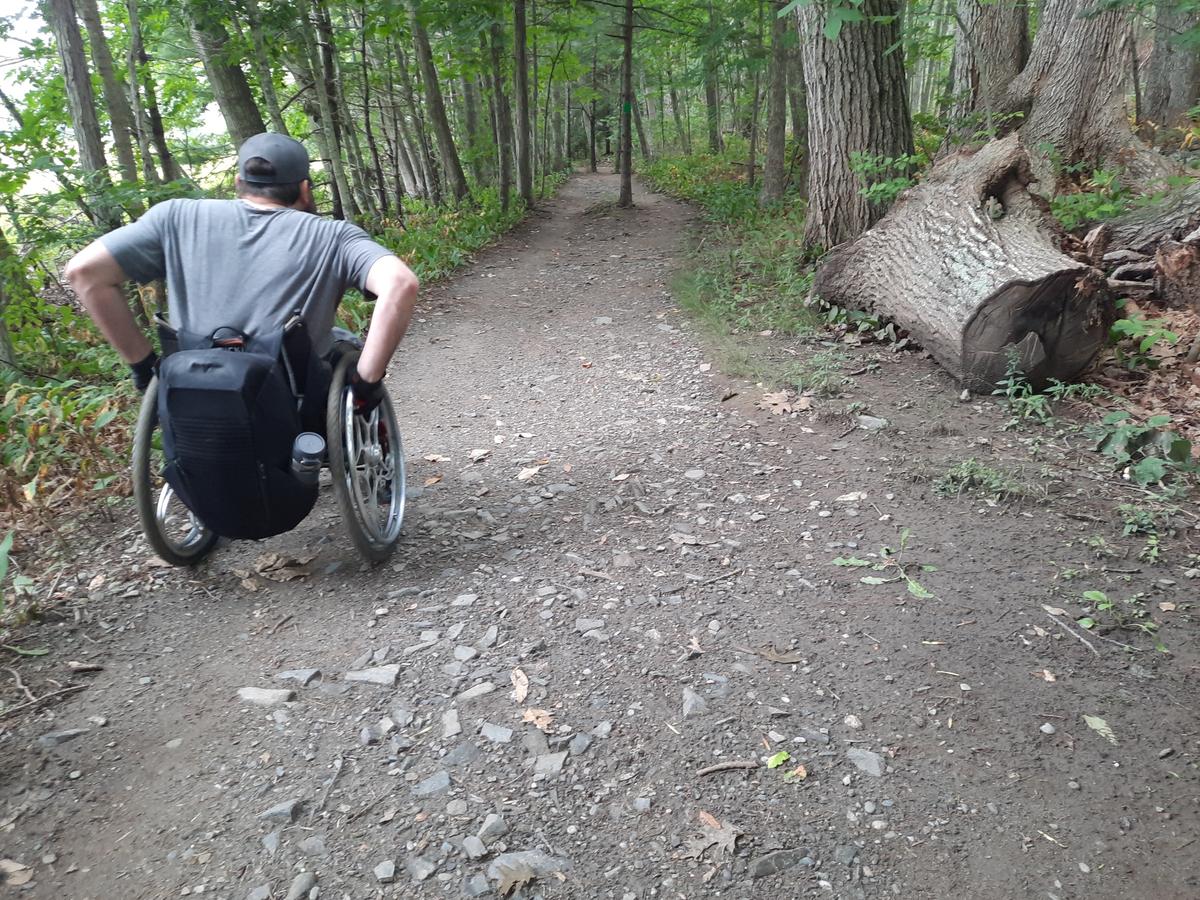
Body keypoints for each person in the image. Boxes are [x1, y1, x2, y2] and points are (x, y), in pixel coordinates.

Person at [65, 132, 419, 412]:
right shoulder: (334, 236)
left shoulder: (174, 218)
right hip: (295, 389)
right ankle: (381, 469)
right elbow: (400, 284)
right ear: (305, 189)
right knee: (347, 345)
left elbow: (84, 272)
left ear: (238, 183)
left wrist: (144, 367)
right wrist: (367, 381)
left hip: (195, 384)